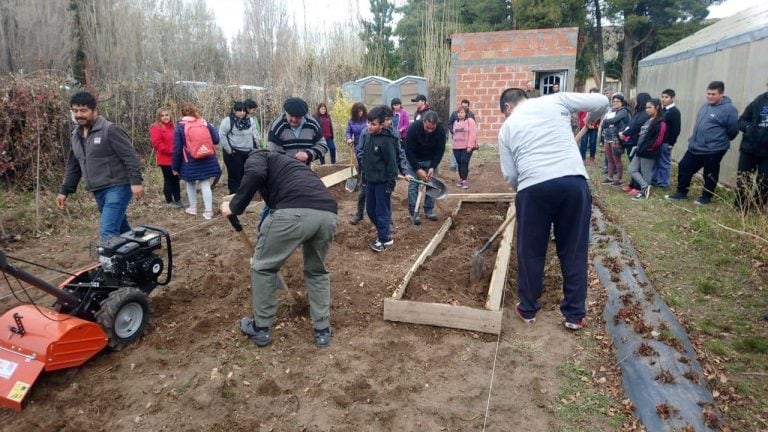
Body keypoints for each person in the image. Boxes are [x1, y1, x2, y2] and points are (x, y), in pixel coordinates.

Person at [497, 87, 609, 330]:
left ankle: (527, 309)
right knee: (574, 249)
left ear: (507, 107)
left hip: (533, 188)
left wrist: (525, 190)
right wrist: (591, 119)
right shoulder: (555, 100)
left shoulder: (507, 127)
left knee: (530, 250)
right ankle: (574, 315)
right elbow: (602, 101)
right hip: (572, 182)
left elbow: (510, 174)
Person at [221, 150, 338, 348]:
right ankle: (322, 331)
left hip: (294, 212)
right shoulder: (292, 165)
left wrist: (234, 206)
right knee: (317, 271)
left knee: (262, 267)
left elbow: (256, 173)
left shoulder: (259, 156)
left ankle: (261, 329)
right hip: (328, 215)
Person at [58, 91, 144, 242]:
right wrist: (64, 190)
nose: (79, 115)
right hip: (98, 189)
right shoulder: (75, 135)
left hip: (118, 186)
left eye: (83, 111)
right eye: (75, 111)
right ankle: (140, 253)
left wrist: (136, 182)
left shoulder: (110, 130)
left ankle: (109, 265)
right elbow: (74, 165)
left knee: (108, 230)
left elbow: (130, 156)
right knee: (121, 227)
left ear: (94, 111)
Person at [665, 81, 739, 205]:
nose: (709, 96)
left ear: (722, 94)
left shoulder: (729, 109)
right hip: (696, 146)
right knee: (684, 166)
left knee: (709, 173)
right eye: (708, 93)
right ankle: (681, 193)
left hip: (714, 148)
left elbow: (733, 130)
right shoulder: (705, 106)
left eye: (713, 94)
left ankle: (706, 197)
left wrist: (717, 140)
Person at [172, 102, 221, 220]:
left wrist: (174, 167)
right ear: (195, 112)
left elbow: (177, 149)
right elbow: (216, 139)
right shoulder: (205, 123)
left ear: (181, 113)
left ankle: (193, 208)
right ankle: (208, 211)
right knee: (205, 184)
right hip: (207, 159)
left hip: (190, 161)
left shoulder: (180, 127)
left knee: (190, 183)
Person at [360, 106, 398, 252]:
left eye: (373, 124)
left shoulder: (386, 140)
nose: (370, 126)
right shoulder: (368, 136)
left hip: (382, 183)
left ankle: (384, 240)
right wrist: (364, 177)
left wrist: (390, 183)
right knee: (370, 209)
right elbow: (366, 160)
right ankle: (384, 231)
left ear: (381, 124)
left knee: (382, 211)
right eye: (368, 123)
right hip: (370, 181)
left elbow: (392, 164)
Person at [404, 111, 446, 225]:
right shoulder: (414, 128)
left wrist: (433, 166)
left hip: (430, 161)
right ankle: (414, 212)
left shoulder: (441, 131)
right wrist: (417, 169)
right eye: (427, 127)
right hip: (414, 160)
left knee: (432, 184)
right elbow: (408, 150)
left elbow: (440, 150)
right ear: (424, 122)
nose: (430, 130)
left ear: (436, 124)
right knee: (413, 184)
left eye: (433, 128)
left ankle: (429, 210)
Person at [734, 83, 768, 211]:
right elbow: (742, 120)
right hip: (749, 148)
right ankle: (740, 207)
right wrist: (748, 128)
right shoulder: (759, 100)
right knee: (743, 179)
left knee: (764, 182)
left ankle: (756, 208)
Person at [627, 98, 667, 200]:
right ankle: (645, 187)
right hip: (640, 150)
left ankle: (644, 192)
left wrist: (648, 148)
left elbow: (658, 139)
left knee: (646, 172)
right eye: (646, 108)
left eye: (650, 107)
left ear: (657, 107)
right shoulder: (648, 120)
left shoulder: (660, 122)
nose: (647, 110)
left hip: (649, 152)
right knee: (632, 169)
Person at [219, 101, 258, 194]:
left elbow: (254, 134)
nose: (242, 113)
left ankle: (243, 194)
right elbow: (222, 135)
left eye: (244, 111)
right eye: (239, 111)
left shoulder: (249, 120)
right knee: (234, 175)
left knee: (245, 174)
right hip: (234, 153)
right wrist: (228, 150)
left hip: (248, 152)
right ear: (234, 111)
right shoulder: (228, 121)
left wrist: (256, 147)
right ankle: (233, 194)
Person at [149, 107, 181, 208]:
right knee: (168, 179)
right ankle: (169, 201)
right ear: (159, 117)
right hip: (165, 158)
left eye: (166, 115)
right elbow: (156, 143)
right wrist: (170, 151)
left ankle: (178, 199)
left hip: (175, 158)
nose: (165, 117)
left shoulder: (173, 126)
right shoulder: (156, 127)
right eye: (162, 116)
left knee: (176, 178)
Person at [652, 89, 682, 189]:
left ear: (672, 98)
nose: (664, 99)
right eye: (663, 97)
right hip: (658, 141)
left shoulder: (674, 112)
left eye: (666, 97)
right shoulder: (661, 110)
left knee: (664, 162)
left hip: (666, 142)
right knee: (655, 160)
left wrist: (671, 142)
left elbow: (676, 129)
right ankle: (654, 179)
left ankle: (663, 183)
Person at [600, 94, 630, 187]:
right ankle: (609, 177)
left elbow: (613, 120)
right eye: (614, 101)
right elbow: (604, 124)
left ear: (622, 102)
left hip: (616, 137)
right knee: (609, 158)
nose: (615, 103)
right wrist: (606, 122)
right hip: (607, 136)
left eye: (617, 101)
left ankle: (619, 179)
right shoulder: (611, 110)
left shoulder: (624, 111)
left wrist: (606, 121)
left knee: (616, 159)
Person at [346, 102, 369, 225]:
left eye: (361, 111)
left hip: (369, 147)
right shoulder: (351, 121)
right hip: (358, 147)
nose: (360, 113)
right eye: (358, 111)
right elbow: (348, 132)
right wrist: (349, 138)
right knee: (362, 168)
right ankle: (361, 179)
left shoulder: (368, 120)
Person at [450, 106, 478, 189]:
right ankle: (461, 178)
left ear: (466, 113)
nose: (460, 114)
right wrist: (453, 145)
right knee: (459, 163)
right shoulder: (455, 122)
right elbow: (454, 135)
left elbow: (473, 134)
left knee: (464, 162)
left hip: (466, 146)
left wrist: (470, 145)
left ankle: (464, 181)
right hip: (456, 147)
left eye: (462, 112)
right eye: (458, 112)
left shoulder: (470, 121)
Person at [448, 99, 476, 171]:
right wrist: (453, 131)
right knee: (456, 151)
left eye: (465, 106)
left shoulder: (471, 114)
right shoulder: (455, 114)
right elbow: (450, 123)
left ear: (468, 106)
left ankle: (465, 167)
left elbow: (473, 127)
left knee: (465, 154)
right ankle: (454, 165)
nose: (464, 107)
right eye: (462, 106)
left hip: (466, 138)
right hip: (457, 137)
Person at [577, 88, 601, 165]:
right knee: (583, 142)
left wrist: (595, 123)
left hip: (594, 126)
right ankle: (582, 158)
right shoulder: (585, 102)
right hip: (584, 125)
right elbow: (580, 113)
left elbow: (599, 114)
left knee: (592, 142)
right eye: (591, 94)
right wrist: (582, 122)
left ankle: (592, 158)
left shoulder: (599, 104)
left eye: (594, 94)